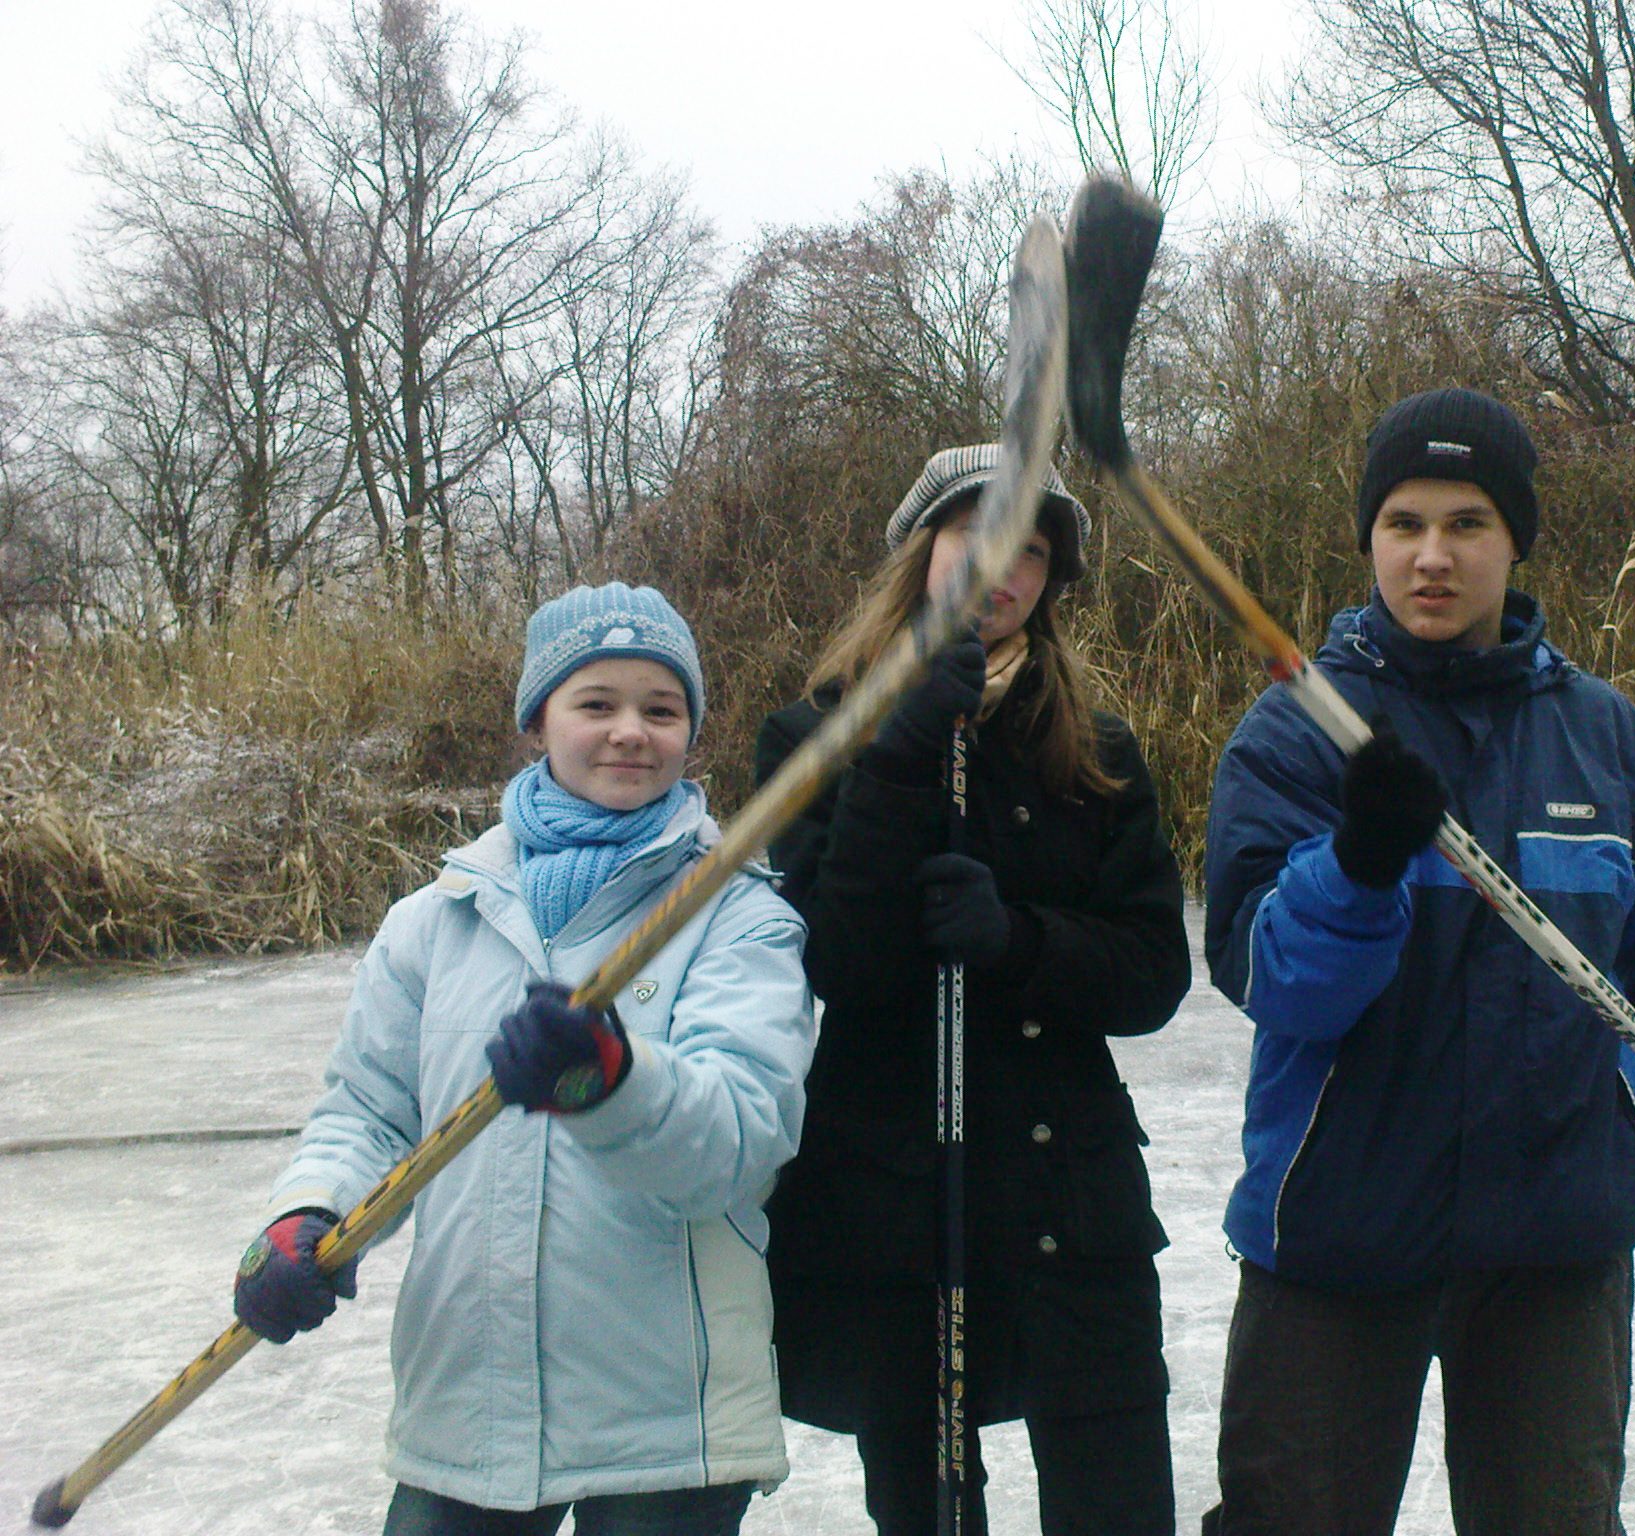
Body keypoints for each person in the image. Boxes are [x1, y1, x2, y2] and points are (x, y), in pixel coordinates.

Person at [1201, 388, 1635, 1536]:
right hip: (1340, 1232)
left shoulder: (1608, 740)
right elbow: (1273, 980)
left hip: (1555, 1240)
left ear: (1515, 539)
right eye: (1403, 523)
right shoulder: (1294, 735)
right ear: (1368, 538)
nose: (1431, 556)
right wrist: (1357, 864)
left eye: (1466, 523)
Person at [231, 582, 814, 1536]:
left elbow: (741, 1143)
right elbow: (369, 1112)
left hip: (665, 1420)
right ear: (537, 720)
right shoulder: (435, 921)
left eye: (662, 710)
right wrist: (310, 1213)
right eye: (597, 704)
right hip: (468, 1399)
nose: (632, 731)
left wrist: (608, 1083)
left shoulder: (736, 914)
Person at [754, 445, 1191, 1536]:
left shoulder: (1093, 751)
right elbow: (835, 967)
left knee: (1116, 1505)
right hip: (900, 1208)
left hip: (1067, 1202)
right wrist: (899, 754)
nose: (1002, 570)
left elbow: (1150, 974)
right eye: (976, 536)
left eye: (1031, 553)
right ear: (921, 549)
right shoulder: (811, 737)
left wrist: (1018, 941)